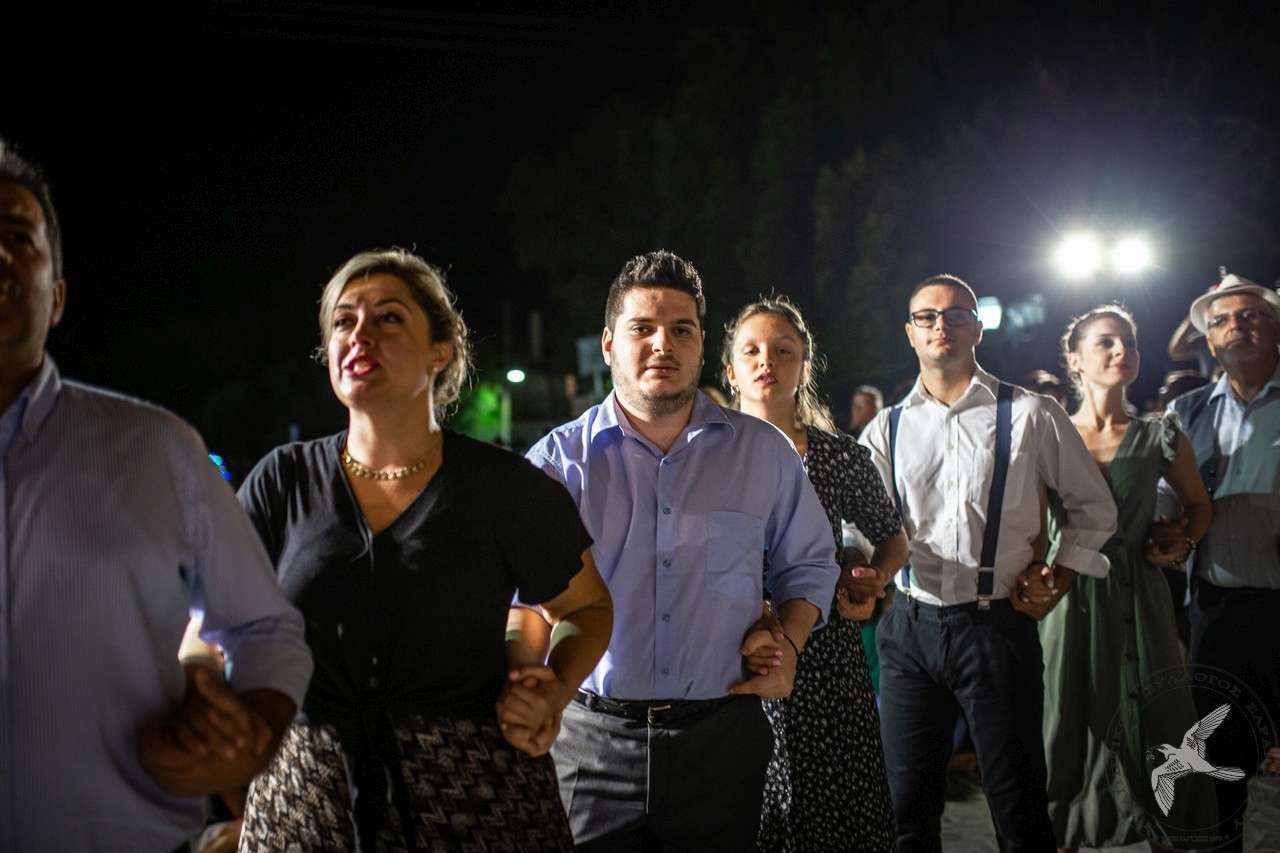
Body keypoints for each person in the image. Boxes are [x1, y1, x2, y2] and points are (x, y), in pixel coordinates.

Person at [233, 249, 613, 851]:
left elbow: (586, 609)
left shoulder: (505, 488)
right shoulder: (282, 481)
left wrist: (553, 687)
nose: (360, 334)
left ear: (441, 350)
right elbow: (213, 625)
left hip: (471, 796)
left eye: (388, 317)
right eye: (344, 320)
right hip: (306, 800)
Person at [0, 140, 313, 851]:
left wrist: (249, 732)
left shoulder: (155, 449)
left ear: (57, 297)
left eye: (17, 235)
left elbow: (266, 630)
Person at [524, 250, 840, 851]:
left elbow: (810, 564)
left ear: (701, 345)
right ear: (609, 344)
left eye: (681, 330)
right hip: (589, 742)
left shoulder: (763, 453)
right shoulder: (557, 464)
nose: (662, 345)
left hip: (721, 739)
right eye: (642, 328)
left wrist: (791, 642)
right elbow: (525, 600)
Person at [860, 273, 1118, 852]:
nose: (941, 325)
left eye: (956, 314)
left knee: (1019, 808)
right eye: (927, 316)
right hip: (909, 628)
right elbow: (862, 528)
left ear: (977, 328)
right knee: (904, 810)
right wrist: (862, 570)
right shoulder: (886, 428)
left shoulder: (1030, 413)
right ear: (910, 332)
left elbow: (1094, 508)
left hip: (996, 625)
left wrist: (1059, 577)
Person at [722, 296, 906, 852]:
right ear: (730, 370)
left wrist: (870, 579)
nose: (767, 362)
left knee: (834, 813)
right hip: (730, 649)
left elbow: (892, 537)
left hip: (826, 657)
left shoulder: (838, 456)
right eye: (751, 351)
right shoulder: (704, 454)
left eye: (784, 351)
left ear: (804, 366)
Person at [1043, 305, 1215, 851]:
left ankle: (1166, 827)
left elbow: (1198, 506)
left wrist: (1181, 541)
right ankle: (1064, 830)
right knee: (1063, 718)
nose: (1122, 351)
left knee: (1158, 717)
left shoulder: (1160, 435)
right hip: (1066, 596)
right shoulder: (1048, 436)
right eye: (1106, 342)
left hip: (1138, 597)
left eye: (1130, 342)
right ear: (1075, 359)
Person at [1161, 273, 1280, 851]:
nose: (1237, 326)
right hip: (1217, 608)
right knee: (1219, 760)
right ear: (1208, 340)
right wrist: (1163, 530)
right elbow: (1167, 497)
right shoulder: (1187, 411)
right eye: (1222, 320)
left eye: (1252, 315)